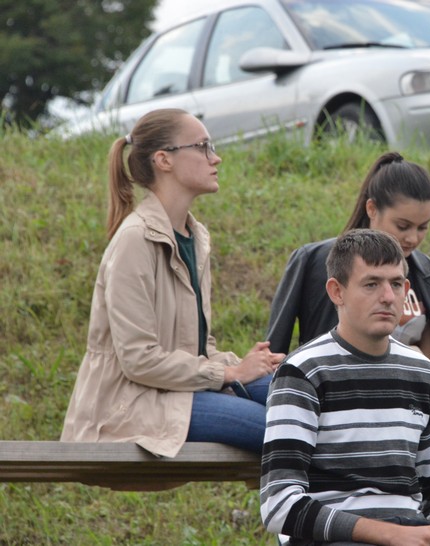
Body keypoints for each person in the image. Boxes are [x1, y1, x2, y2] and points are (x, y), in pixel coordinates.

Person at [264, 151, 430, 542]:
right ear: (337, 292)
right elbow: (279, 506)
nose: (387, 297)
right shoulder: (304, 371)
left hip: (410, 520)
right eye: (371, 284)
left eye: (396, 284)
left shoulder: (420, 370)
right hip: (341, 530)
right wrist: (390, 534)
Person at [61, 108, 283, 458]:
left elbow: (197, 347)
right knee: (283, 428)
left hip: (177, 393)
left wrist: (249, 364)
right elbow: (139, 360)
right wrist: (229, 372)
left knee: (296, 395)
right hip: (132, 405)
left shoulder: (196, 237)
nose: (216, 158)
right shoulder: (135, 240)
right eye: (203, 147)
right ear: (164, 160)